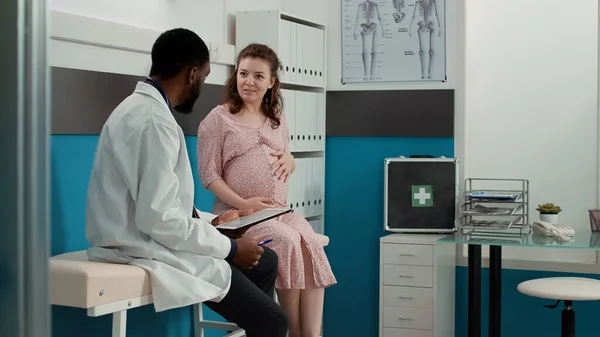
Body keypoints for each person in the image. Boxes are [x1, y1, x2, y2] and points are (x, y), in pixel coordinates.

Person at [85, 29, 288, 337]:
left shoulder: (138, 109)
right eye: (204, 77)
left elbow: (160, 202)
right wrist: (231, 248)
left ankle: (249, 316)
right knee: (274, 321)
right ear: (192, 74)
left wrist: (214, 220)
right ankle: (255, 317)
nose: (202, 85)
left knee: (265, 261)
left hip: (140, 234)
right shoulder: (154, 122)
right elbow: (160, 220)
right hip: (139, 246)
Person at [197, 43, 337, 337]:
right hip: (239, 217)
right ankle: (291, 330)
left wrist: (292, 160)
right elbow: (209, 177)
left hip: (279, 210)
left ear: (272, 81)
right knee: (286, 242)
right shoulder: (218, 120)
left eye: (258, 76)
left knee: (309, 243)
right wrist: (246, 204)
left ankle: (310, 333)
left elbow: (284, 158)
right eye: (244, 73)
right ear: (235, 75)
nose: (249, 81)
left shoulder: (277, 117)